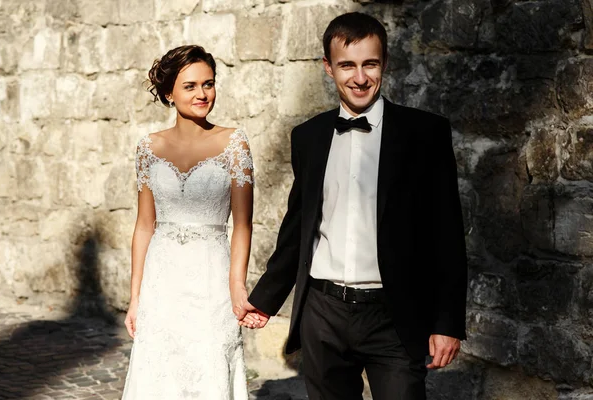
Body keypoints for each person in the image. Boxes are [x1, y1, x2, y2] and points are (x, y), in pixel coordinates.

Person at [239, 12, 468, 400]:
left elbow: (446, 233)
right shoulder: (308, 136)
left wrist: (447, 322)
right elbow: (299, 226)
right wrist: (264, 299)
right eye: (347, 65)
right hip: (323, 313)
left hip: (395, 316)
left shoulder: (425, 133)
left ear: (384, 64)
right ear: (328, 67)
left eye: (369, 64)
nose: (359, 78)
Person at [121, 45, 257, 399]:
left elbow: (243, 225)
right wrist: (136, 297)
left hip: (212, 276)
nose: (202, 94)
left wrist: (237, 286)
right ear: (169, 93)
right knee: (160, 372)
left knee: (209, 366)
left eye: (208, 84)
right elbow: (143, 226)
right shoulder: (149, 147)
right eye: (190, 86)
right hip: (162, 279)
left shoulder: (234, 142)